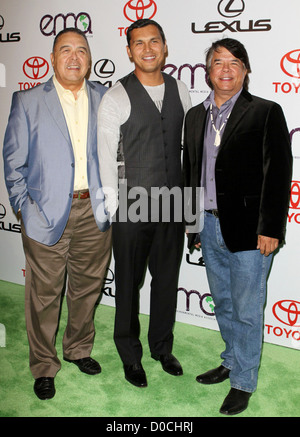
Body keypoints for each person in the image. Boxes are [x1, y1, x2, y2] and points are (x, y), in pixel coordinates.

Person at [183, 38, 292, 415]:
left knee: (247, 309)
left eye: (234, 62)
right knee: (225, 303)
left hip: (251, 231)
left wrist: (271, 228)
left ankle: (243, 381)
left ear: (245, 70)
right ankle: (231, 359)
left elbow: (277, 175)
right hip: (210, 228)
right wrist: (193, 225)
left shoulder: (265, 111)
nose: (225, 69)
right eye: (218, 62)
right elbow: (191, 175)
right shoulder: (195, 116)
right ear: (208, 70)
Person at [3, 28, 112, 400]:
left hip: (94, 212)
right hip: (46, 214)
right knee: (44, 295)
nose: (74, 57)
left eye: (81, 50)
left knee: (86, 289)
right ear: (52, 58)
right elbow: (13, 163)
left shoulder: (106, 98)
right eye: (65, 50)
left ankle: (79, 348)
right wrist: (24, 209)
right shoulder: (28, 100)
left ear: (89, 59)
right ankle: (44, 365)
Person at [97, 19, 192, 387]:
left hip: (172, 204)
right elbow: (105, 157)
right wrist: (113, 209)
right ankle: (129, 353)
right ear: (129, 50)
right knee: (128, 285)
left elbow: (186, 149)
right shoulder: (116, 96)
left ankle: (162, 348)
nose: (148, 49)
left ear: (165, 47)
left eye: (154, 41)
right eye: (139, 43)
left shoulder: (181, 89)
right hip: (131, 205)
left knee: (167, 281)